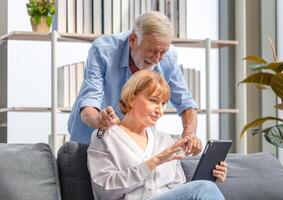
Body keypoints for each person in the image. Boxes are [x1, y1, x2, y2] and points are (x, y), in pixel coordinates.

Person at [68, 11, 200, 155]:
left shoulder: (168, 57)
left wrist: (189, 133)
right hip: (91, 134)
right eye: (151, 50)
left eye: (162, 52)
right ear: (133, 40)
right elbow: (89, 101)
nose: (156, 58)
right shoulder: (103, 49)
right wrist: (99, 120)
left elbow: (186, 103)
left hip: (134, 142)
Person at [87, 70, 227, 200]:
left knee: (206, 186)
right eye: (153, 100)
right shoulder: (106, 137)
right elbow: (104, 190)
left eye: (164, 104)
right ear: (131, 98)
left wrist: (211, 178)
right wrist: (155, 161)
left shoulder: (165, 140)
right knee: (204, 188)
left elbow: (177, 188)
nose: (159, 110)